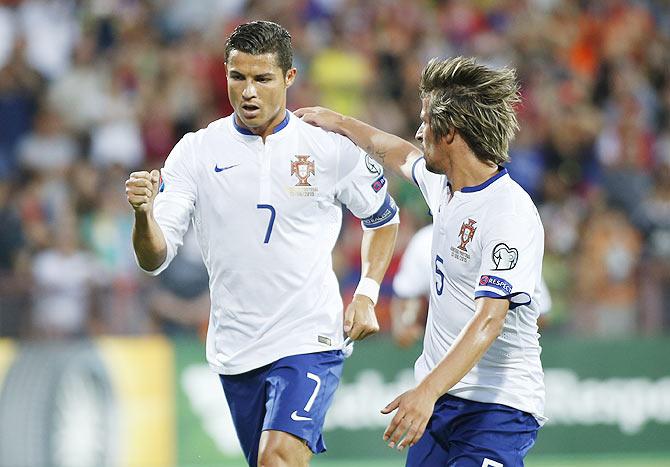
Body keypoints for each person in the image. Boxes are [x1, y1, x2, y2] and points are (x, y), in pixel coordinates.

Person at [125, 21, 399, 467]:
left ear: (289, 78)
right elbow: (154, 258)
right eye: (238, 77)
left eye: (262, 78)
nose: (248, 92)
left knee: (278, 459)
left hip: (310, 337)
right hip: (236, 348)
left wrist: (366, 292)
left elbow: (383, 219)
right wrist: (142, 215)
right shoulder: (197, 152)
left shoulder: (326, 147)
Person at [296, 56, 546, 466]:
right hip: (441, 405)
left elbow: (489, 319)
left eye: (425, 120)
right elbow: (395, 150)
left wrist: (425, 391)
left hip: (497, 409)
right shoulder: (443, 185)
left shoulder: (507, 212)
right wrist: (339, 121)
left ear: (449, 133)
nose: (418, 130)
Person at [391, 223, 553, 348]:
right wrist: (403, 325)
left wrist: (495, 332)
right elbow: (404, 293)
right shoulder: (427, 239)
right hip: (445, 350)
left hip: (501, 358)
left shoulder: (509, 239)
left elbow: (541, 313)